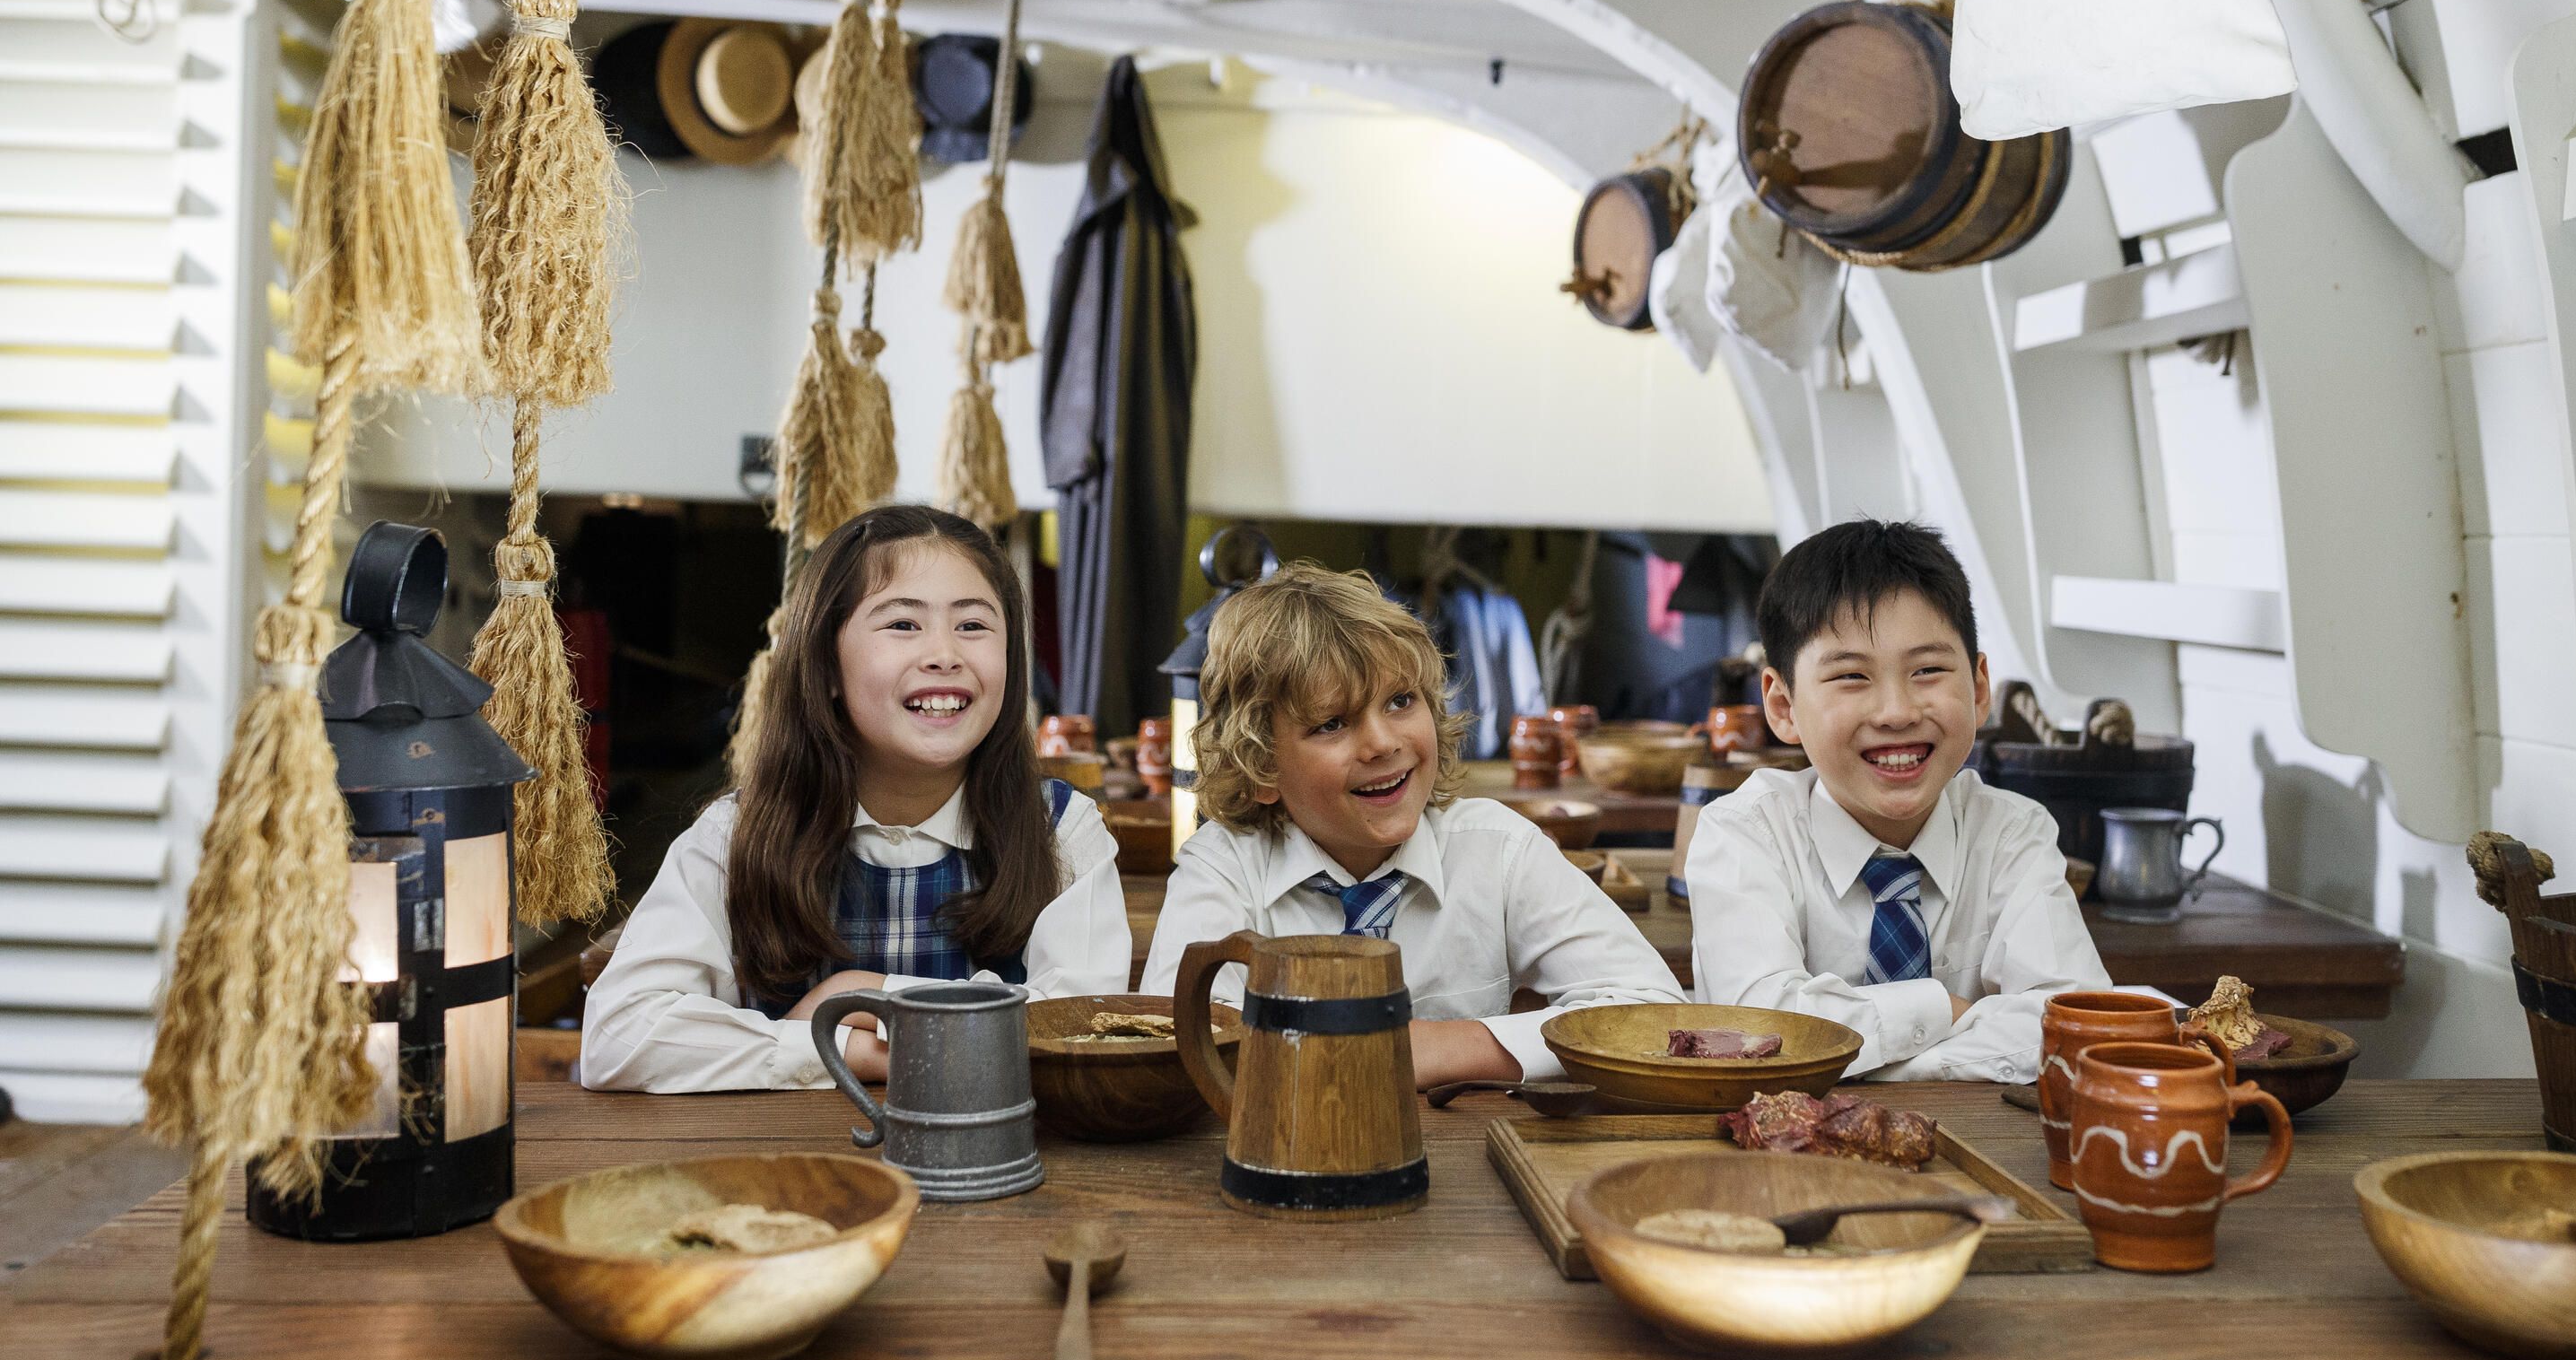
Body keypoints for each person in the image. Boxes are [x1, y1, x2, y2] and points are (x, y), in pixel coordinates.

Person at [582, 506, 1131, 1092]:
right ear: (828, 666)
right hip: (788, 1171)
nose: (945, 653)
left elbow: (1079, 1031)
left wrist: (863, 994)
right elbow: (618, 1037)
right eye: (903, 625)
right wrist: (846, 1048)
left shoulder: (1061, 830)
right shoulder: (739, 834)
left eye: (973, 626)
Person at [1140, 562, 1681, 1090]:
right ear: (1262, 768)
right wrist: (1365, 1052)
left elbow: (1655, 1013)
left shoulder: (1499, 850)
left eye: (1401, 701)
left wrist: (1443, 1046)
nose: (1382, 743)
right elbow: (1180, 1040)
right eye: (1332, 724)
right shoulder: (1224, 864)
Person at [1686, 519, 2108, 1082]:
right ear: (1783, 706)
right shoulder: (1744, 835)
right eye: (1852, 676)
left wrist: (1880, 1061)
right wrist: (1943, 1011)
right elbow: (1764, 1034)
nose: (1897, 712)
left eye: (1928, 670)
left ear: (1978, 689)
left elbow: (2078, 1028)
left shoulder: (2012, 834)